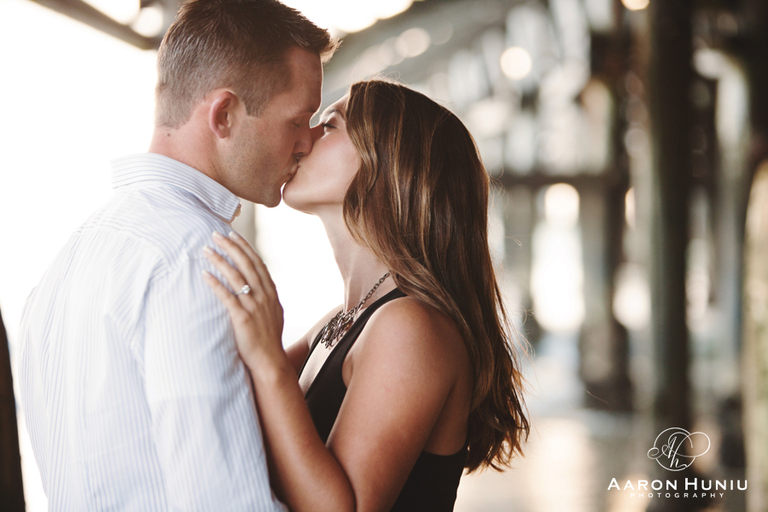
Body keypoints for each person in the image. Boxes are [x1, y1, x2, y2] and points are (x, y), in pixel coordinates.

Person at [16, 1, 337, 510]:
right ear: (224, 114)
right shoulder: (200, 261)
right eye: (297, 120)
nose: (306, 142)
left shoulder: (64, 266)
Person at [204, 79, 530, 512]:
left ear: (392, 165)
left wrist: (267, 360)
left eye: (329, 125)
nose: (304, 138)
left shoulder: (410, 326)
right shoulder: (342, 319)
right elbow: (229, 406)